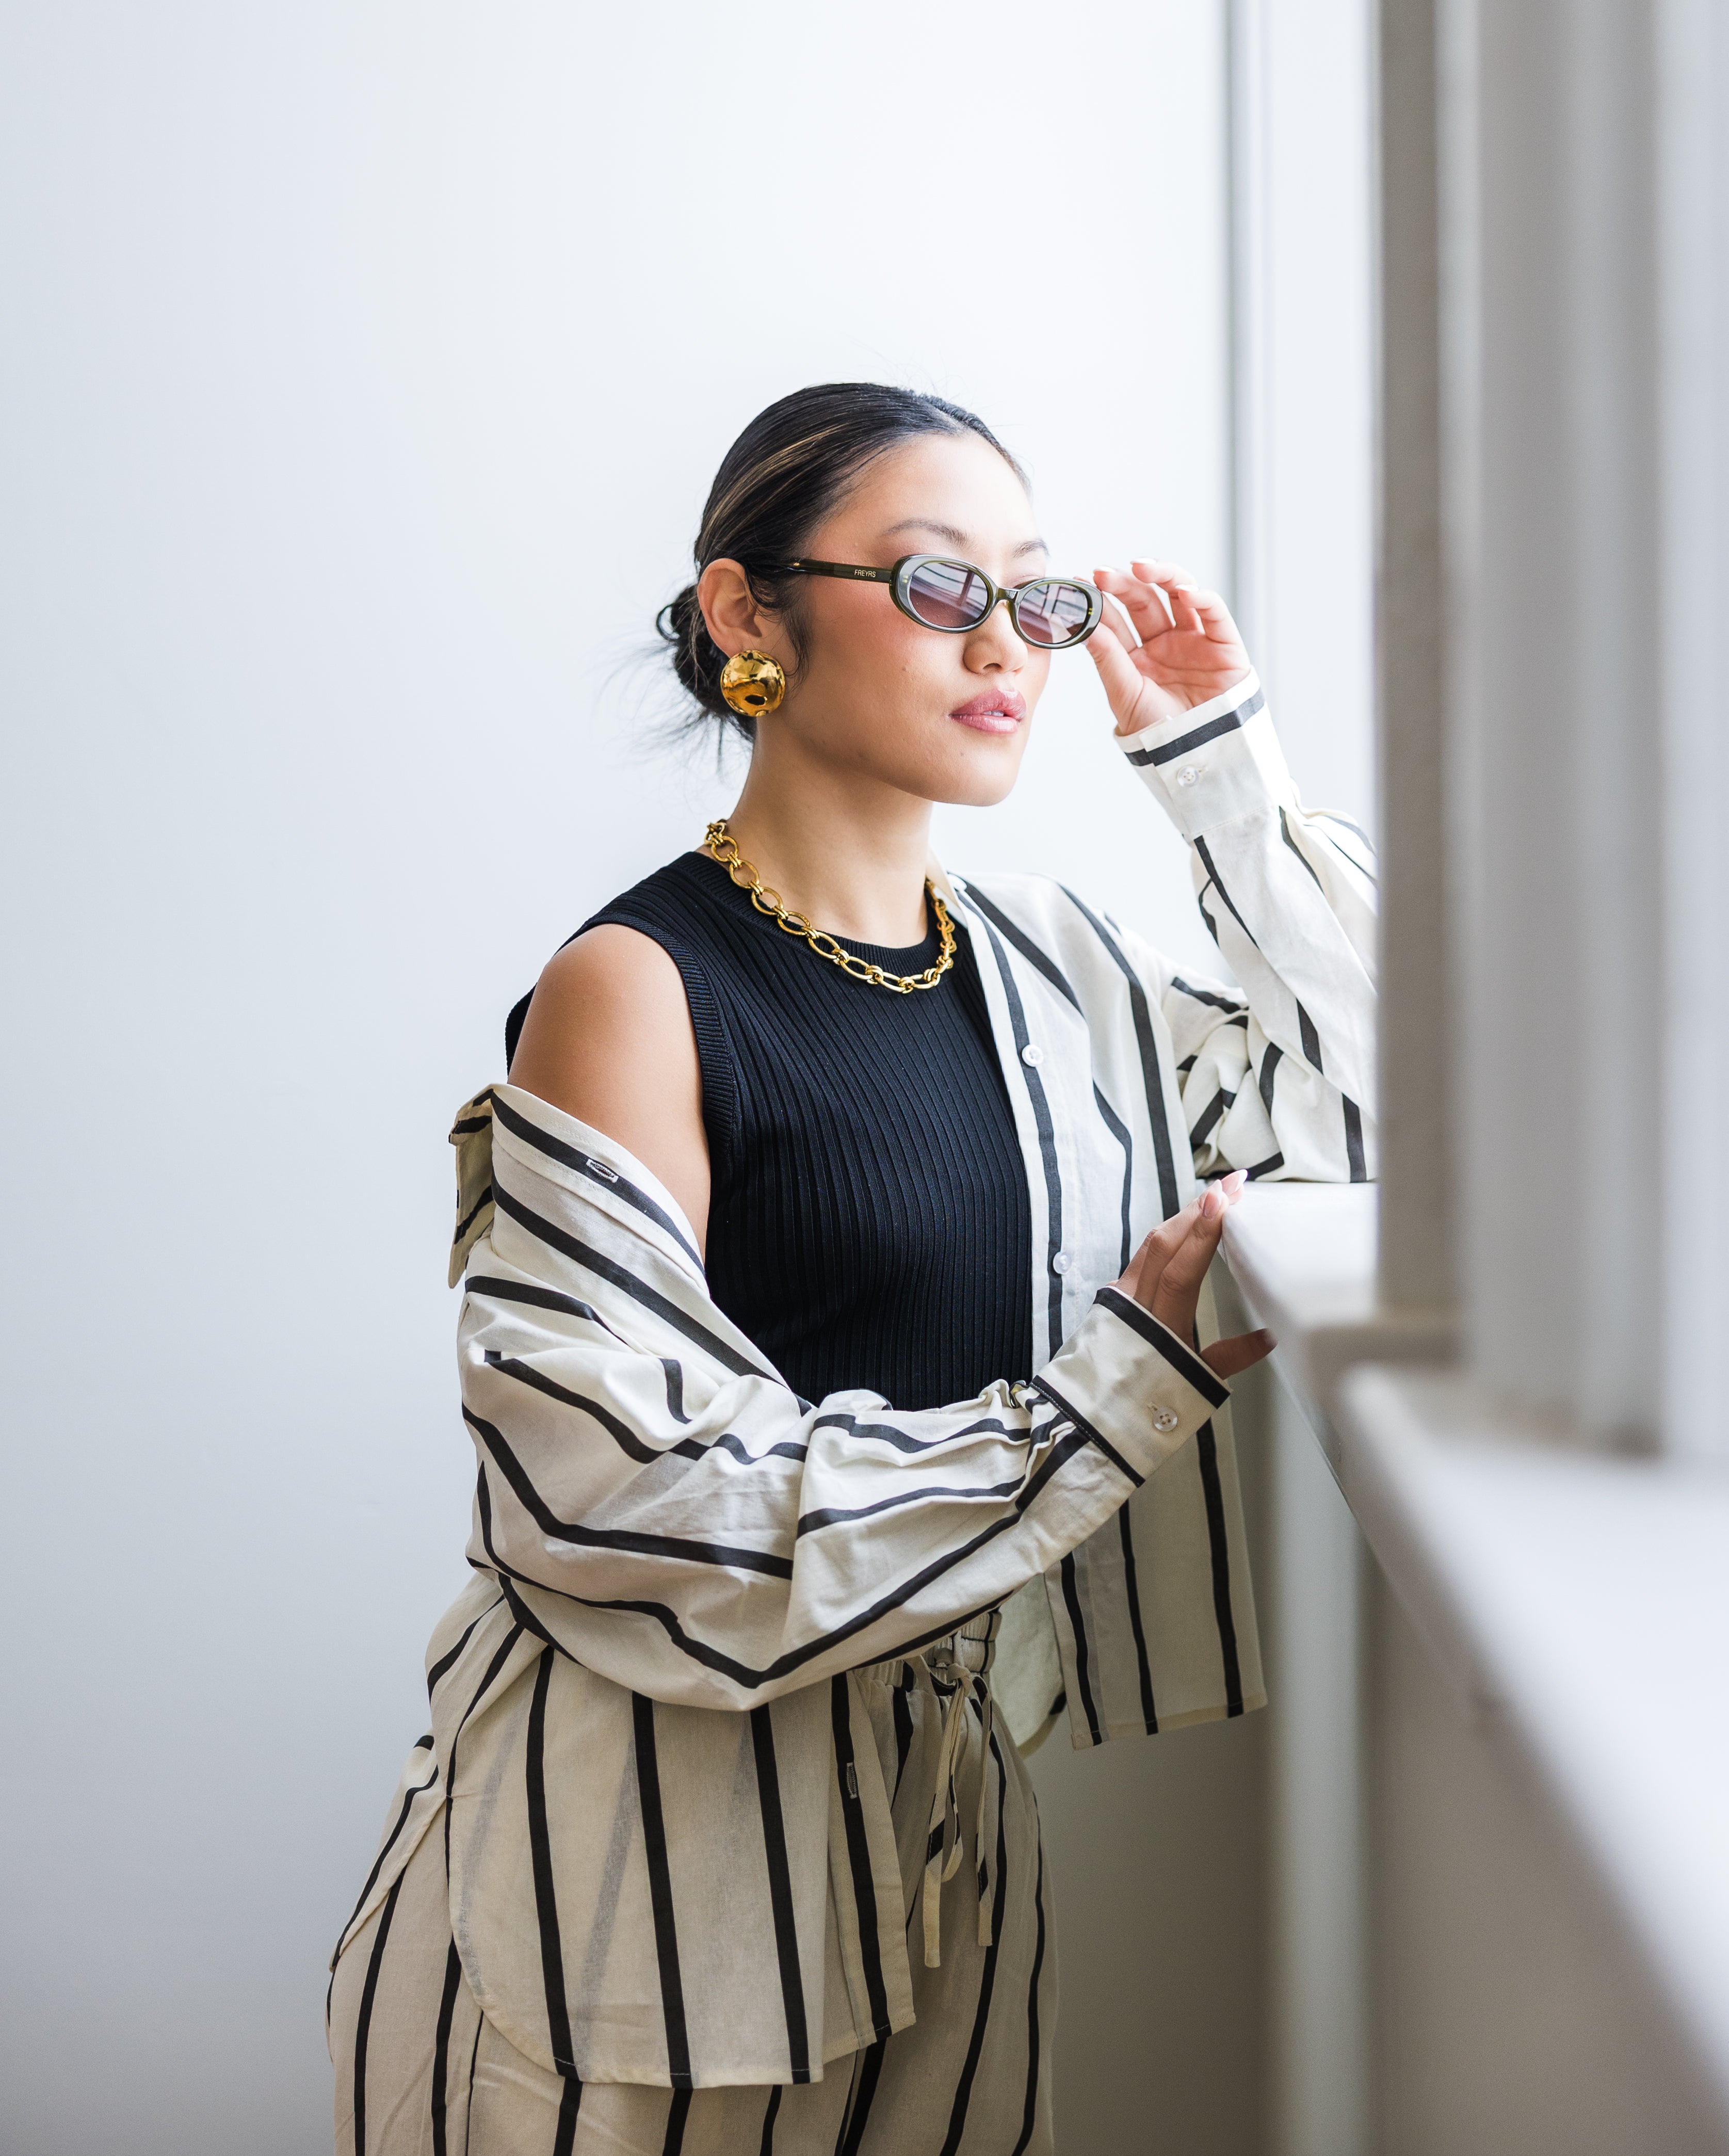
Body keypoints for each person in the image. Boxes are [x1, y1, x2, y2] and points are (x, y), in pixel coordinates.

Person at [327, 384, 1377, 2156]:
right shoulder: (633, 987)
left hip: (943, 1857)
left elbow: (1395, 1105)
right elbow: (621, 1502)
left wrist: (1218, 768)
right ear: (749, 612)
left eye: (1034, 593)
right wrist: (1100, 1404)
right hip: (629, 1894)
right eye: (937, 582)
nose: (1009, 641)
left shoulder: (1057, 974)